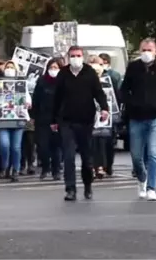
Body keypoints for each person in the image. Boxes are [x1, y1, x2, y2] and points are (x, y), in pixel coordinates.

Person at [52, 46, 109, 201]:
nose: (75, 58)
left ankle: (88, 185)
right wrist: (53, 120)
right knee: (69, 156)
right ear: (68, 57)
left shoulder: (89, 73)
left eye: (78, 55)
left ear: (82, 56)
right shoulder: (63, 74)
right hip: (66, 121)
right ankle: (70, 189)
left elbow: (98, 92)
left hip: (85, 120)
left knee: (86, 157)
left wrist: (104, 108)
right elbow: (56, 97)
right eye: (72, 55)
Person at [121, 38, 156, 201]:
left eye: (150, 50)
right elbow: (124, 89)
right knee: (136, 156)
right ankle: (141, 178)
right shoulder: (133, 68)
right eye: (144, 50)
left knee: (153, 153)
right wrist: (130, 104)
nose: (146, 53)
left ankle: (151, 187)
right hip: (136, 117)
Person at [0, 61, 31, 182]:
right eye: (7, 67)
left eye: (12, 67)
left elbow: (27, 99)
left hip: (17, 119)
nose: (9, 69)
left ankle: (15, 169)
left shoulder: (21, 84)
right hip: (1, 120)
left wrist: (27, 103)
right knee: (4, 145)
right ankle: (5, 167)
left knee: (16, 147)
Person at [31, 57, 64, 181]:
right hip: (42, 118)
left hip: (58, 119)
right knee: (42, 146)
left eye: (56, 68)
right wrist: (33, 115)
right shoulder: (42, 81)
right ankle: (45, 168)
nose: (53, 70)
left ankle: (56, 171)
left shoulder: (63, 82)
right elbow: (36, 98)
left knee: (56, 146)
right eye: (51, 68)